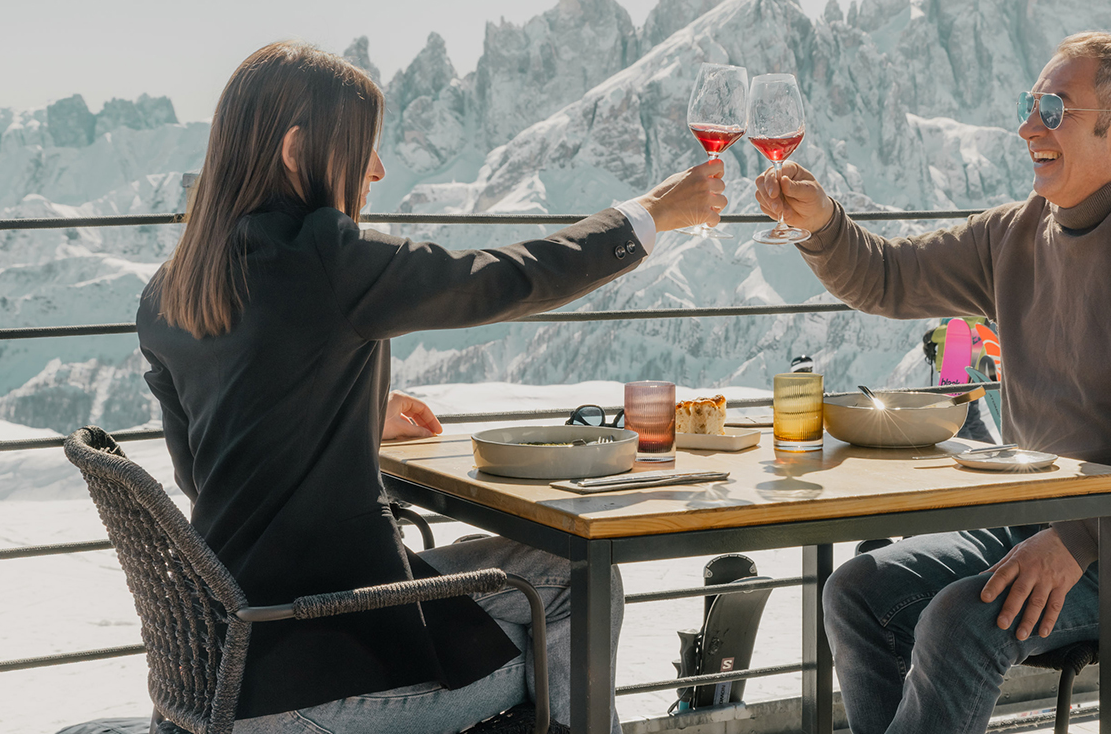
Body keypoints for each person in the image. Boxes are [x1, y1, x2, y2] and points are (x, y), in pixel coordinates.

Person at [137, 41, 726, 734]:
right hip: (320, 678)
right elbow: (502, 276)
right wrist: (651, 214)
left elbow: (203, 472)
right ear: (297, 150)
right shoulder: (324, 256)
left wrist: (330, 409)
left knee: (556, 571)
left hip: (228, 658)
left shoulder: (170, 289)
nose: (377, 170)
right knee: (581, 599)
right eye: (363, 148)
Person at [754, 32, 1111, 734]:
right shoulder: (1017, 234)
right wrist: (821, 225)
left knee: (964, 622)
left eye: (1054, 109)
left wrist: (1081, 537)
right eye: (1029, 104)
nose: (1026, 126)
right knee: (860, 591)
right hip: (1041, 523)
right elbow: (888, 277)